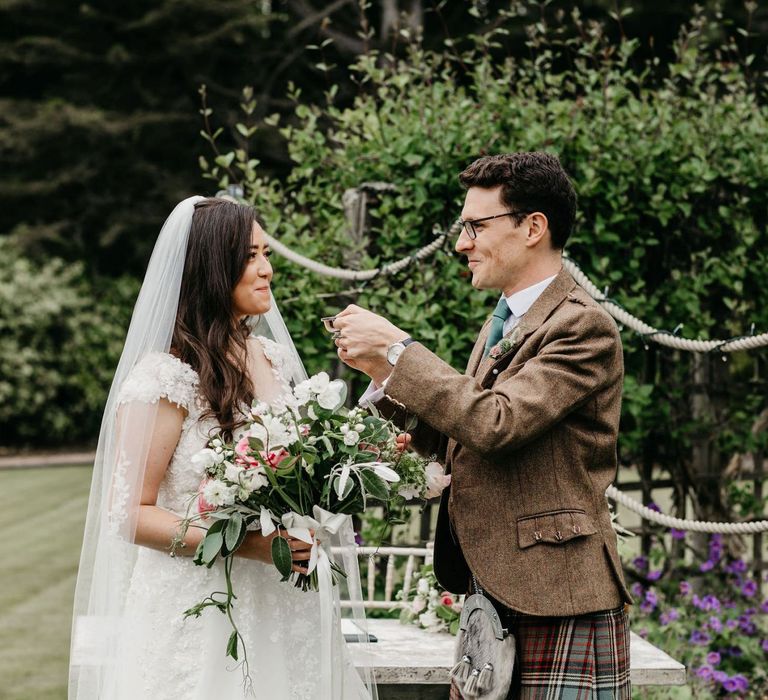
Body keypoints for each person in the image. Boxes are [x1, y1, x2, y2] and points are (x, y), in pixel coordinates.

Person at [332, 153, 633, 699]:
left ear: (533, 227)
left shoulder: (582, 325)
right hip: (495, 587)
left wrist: (401, 351)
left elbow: (499, 423)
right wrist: (383, 373)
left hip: (557, 591)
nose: (460, 243)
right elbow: (464, 436)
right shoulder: (506, 319)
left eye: (475, 226)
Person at [69, 197, 375, 700]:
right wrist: (250, 545)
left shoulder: (272, 359)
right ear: (213, 268)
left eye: (266, 254)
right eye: (250, 256)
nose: (267, 269)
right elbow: (129, 514)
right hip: (203, 611)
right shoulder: (166, 377)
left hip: (284, 606)